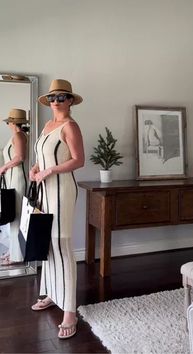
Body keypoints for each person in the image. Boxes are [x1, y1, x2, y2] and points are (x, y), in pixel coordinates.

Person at [29, 79, 85, 339]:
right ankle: (52, 293)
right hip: (44, 190)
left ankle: (70, 312)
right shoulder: (47, 125)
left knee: (61, 245)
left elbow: (78, 160)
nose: (56, 101)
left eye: (62, 97)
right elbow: (43, 154)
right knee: (47, 245)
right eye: (52, 97)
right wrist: (37, 168)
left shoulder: (70, 126)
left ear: (70, 100)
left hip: (62, 190)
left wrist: (50, 170)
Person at [0, 108, 28, 265]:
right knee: (13, 216)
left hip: (17, 180)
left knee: (16, 217)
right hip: (13, 179)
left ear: (12, 122)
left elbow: (20, 157)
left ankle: (16, 255)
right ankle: (12, 251)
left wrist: (3, 167)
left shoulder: (18, 135)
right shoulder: (18, 136)